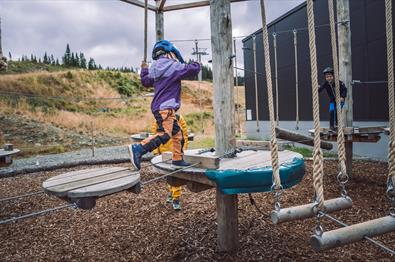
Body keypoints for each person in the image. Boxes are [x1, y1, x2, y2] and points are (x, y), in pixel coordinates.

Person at [128, 40, 200, 171]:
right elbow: (193, 70)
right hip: (166, 108)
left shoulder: (154, 68)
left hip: (160, 107)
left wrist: (144, 68)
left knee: (177, 133)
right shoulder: (174, 66)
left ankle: (177, 159)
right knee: (164, 134)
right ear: (170, 54)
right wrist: (197, 63)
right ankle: (138, 148)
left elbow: (145, 81)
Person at [151, 114, 188, 211]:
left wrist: (183, 149)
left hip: (176, 152)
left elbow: (184, 135)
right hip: (164, 153)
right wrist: (156, 151)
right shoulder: (158, 120)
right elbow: (154, 135)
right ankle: (172, 193)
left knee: (176, 174)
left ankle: (176, 198)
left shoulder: (179, 118)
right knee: (169, 174)